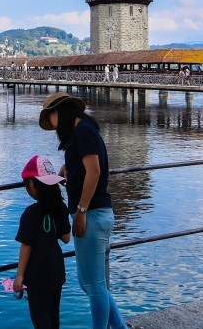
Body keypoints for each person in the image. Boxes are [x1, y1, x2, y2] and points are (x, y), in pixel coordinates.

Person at [38, 93, 128, 329]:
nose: (55, 128)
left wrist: (81, 211)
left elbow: (95, 172)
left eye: (52, 120)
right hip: (99, 214)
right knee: (94, 283)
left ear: (59, 113)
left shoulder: (83, 132)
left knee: (94, 285)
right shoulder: (86, 131)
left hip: (92, 215)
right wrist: (71, 168)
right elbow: (89, 167)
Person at [14, 155, 71, 329]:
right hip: (56, 271)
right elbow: (66, 238)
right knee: (54, 316)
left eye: (26, 184)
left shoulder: (30, 214)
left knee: (40, 319)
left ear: (32, 184)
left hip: (37, 276)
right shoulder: (60, 207)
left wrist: (19, 276)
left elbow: (26, 246)